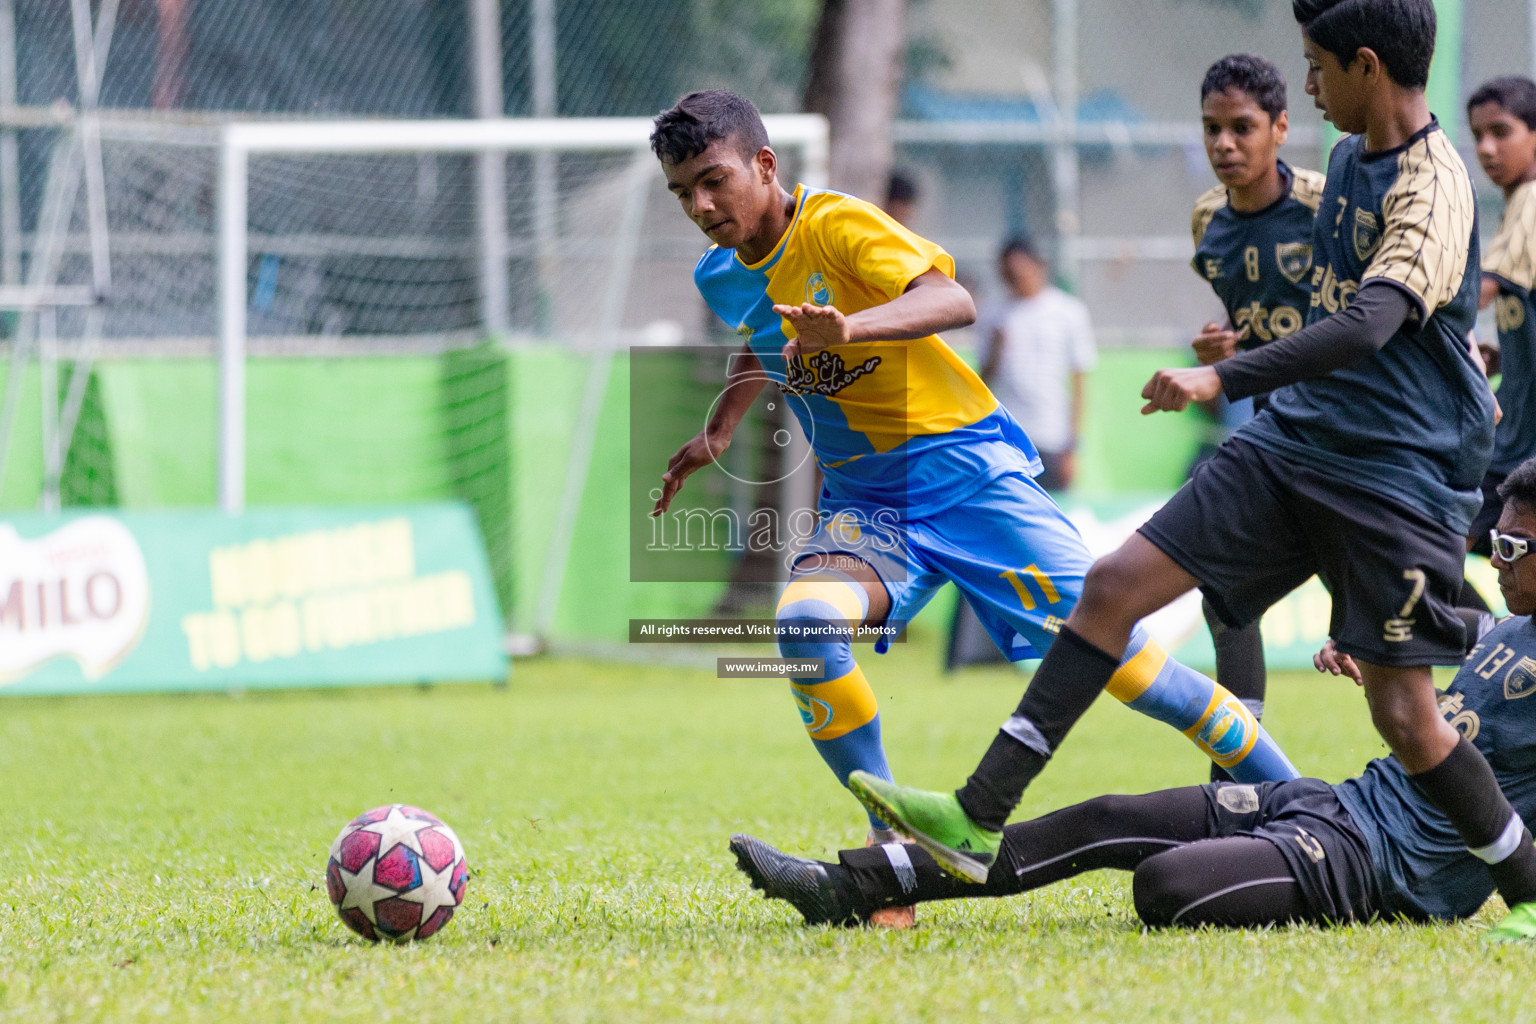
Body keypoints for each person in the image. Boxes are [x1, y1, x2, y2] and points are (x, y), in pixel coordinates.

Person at [847, 0, 1536, 945]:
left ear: (1367, 67)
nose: (1306, 85)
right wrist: (1252, 346)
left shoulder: (1435, 184)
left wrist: (1223, 371)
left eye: (1317, 66)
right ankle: (977, 812)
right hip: (1297, 440)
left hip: (1395, 476)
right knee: (1114, 585)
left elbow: (1375, 323)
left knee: (1406, 717)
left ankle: (1530, 888)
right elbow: (1330, 312)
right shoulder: (1340, 161)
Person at [647, 90, 1299, 925]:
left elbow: (951, 300)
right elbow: (762, 338)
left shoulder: (839, 225)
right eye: (682, 193)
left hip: (970, 481)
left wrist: (849, 330)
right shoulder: (720, 273)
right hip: (871, 505)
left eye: (714, 180)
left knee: (1137, 674)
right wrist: (722, 424)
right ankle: (891, 870)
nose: (701, 206)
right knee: (805, 623)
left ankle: (1302, 802)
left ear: (765, 166)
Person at [730, 456, 1536, 934]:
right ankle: (855, 885)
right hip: (1338, 804)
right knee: (1107, 815)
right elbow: (1435, 642)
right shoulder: (1501, 625)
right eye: (1491, 543)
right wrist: (1373, 649)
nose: (1494, 561)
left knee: (1166, 889)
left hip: (1384, 871)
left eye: (1509, 545)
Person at [1186, 53, 1327, 779]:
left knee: (1404, 618)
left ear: (1280, 127)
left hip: (1353, 442)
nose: (1225, 144)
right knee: (1229, 600)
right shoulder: (1207, 220)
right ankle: (1240, 788)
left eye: (1242, 127)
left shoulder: (1327, 206)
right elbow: (1241, 315)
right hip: (1278, 438)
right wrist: (1220, 343)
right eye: (1212, 128)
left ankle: (1499, 645)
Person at [1464, 78, 1536, 600]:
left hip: (1522, 452)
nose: (1487, 148)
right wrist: (1505, 352)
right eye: (1478, 136)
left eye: (1501, 132)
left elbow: (1467, 297)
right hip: (1513, 442)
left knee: (1427, 550)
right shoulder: (1515, 210)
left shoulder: (1532, 203)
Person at [977, 237, 1096, 493]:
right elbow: (981, 381)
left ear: (1038, 265)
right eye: (1007, 274)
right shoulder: (994, 313)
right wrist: (997, 350)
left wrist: (1072, 447)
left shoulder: (1068, 311)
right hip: (1006, 438)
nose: (1014, 280)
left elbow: (1079, 385)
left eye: (1018, 272)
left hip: (1050, 436)